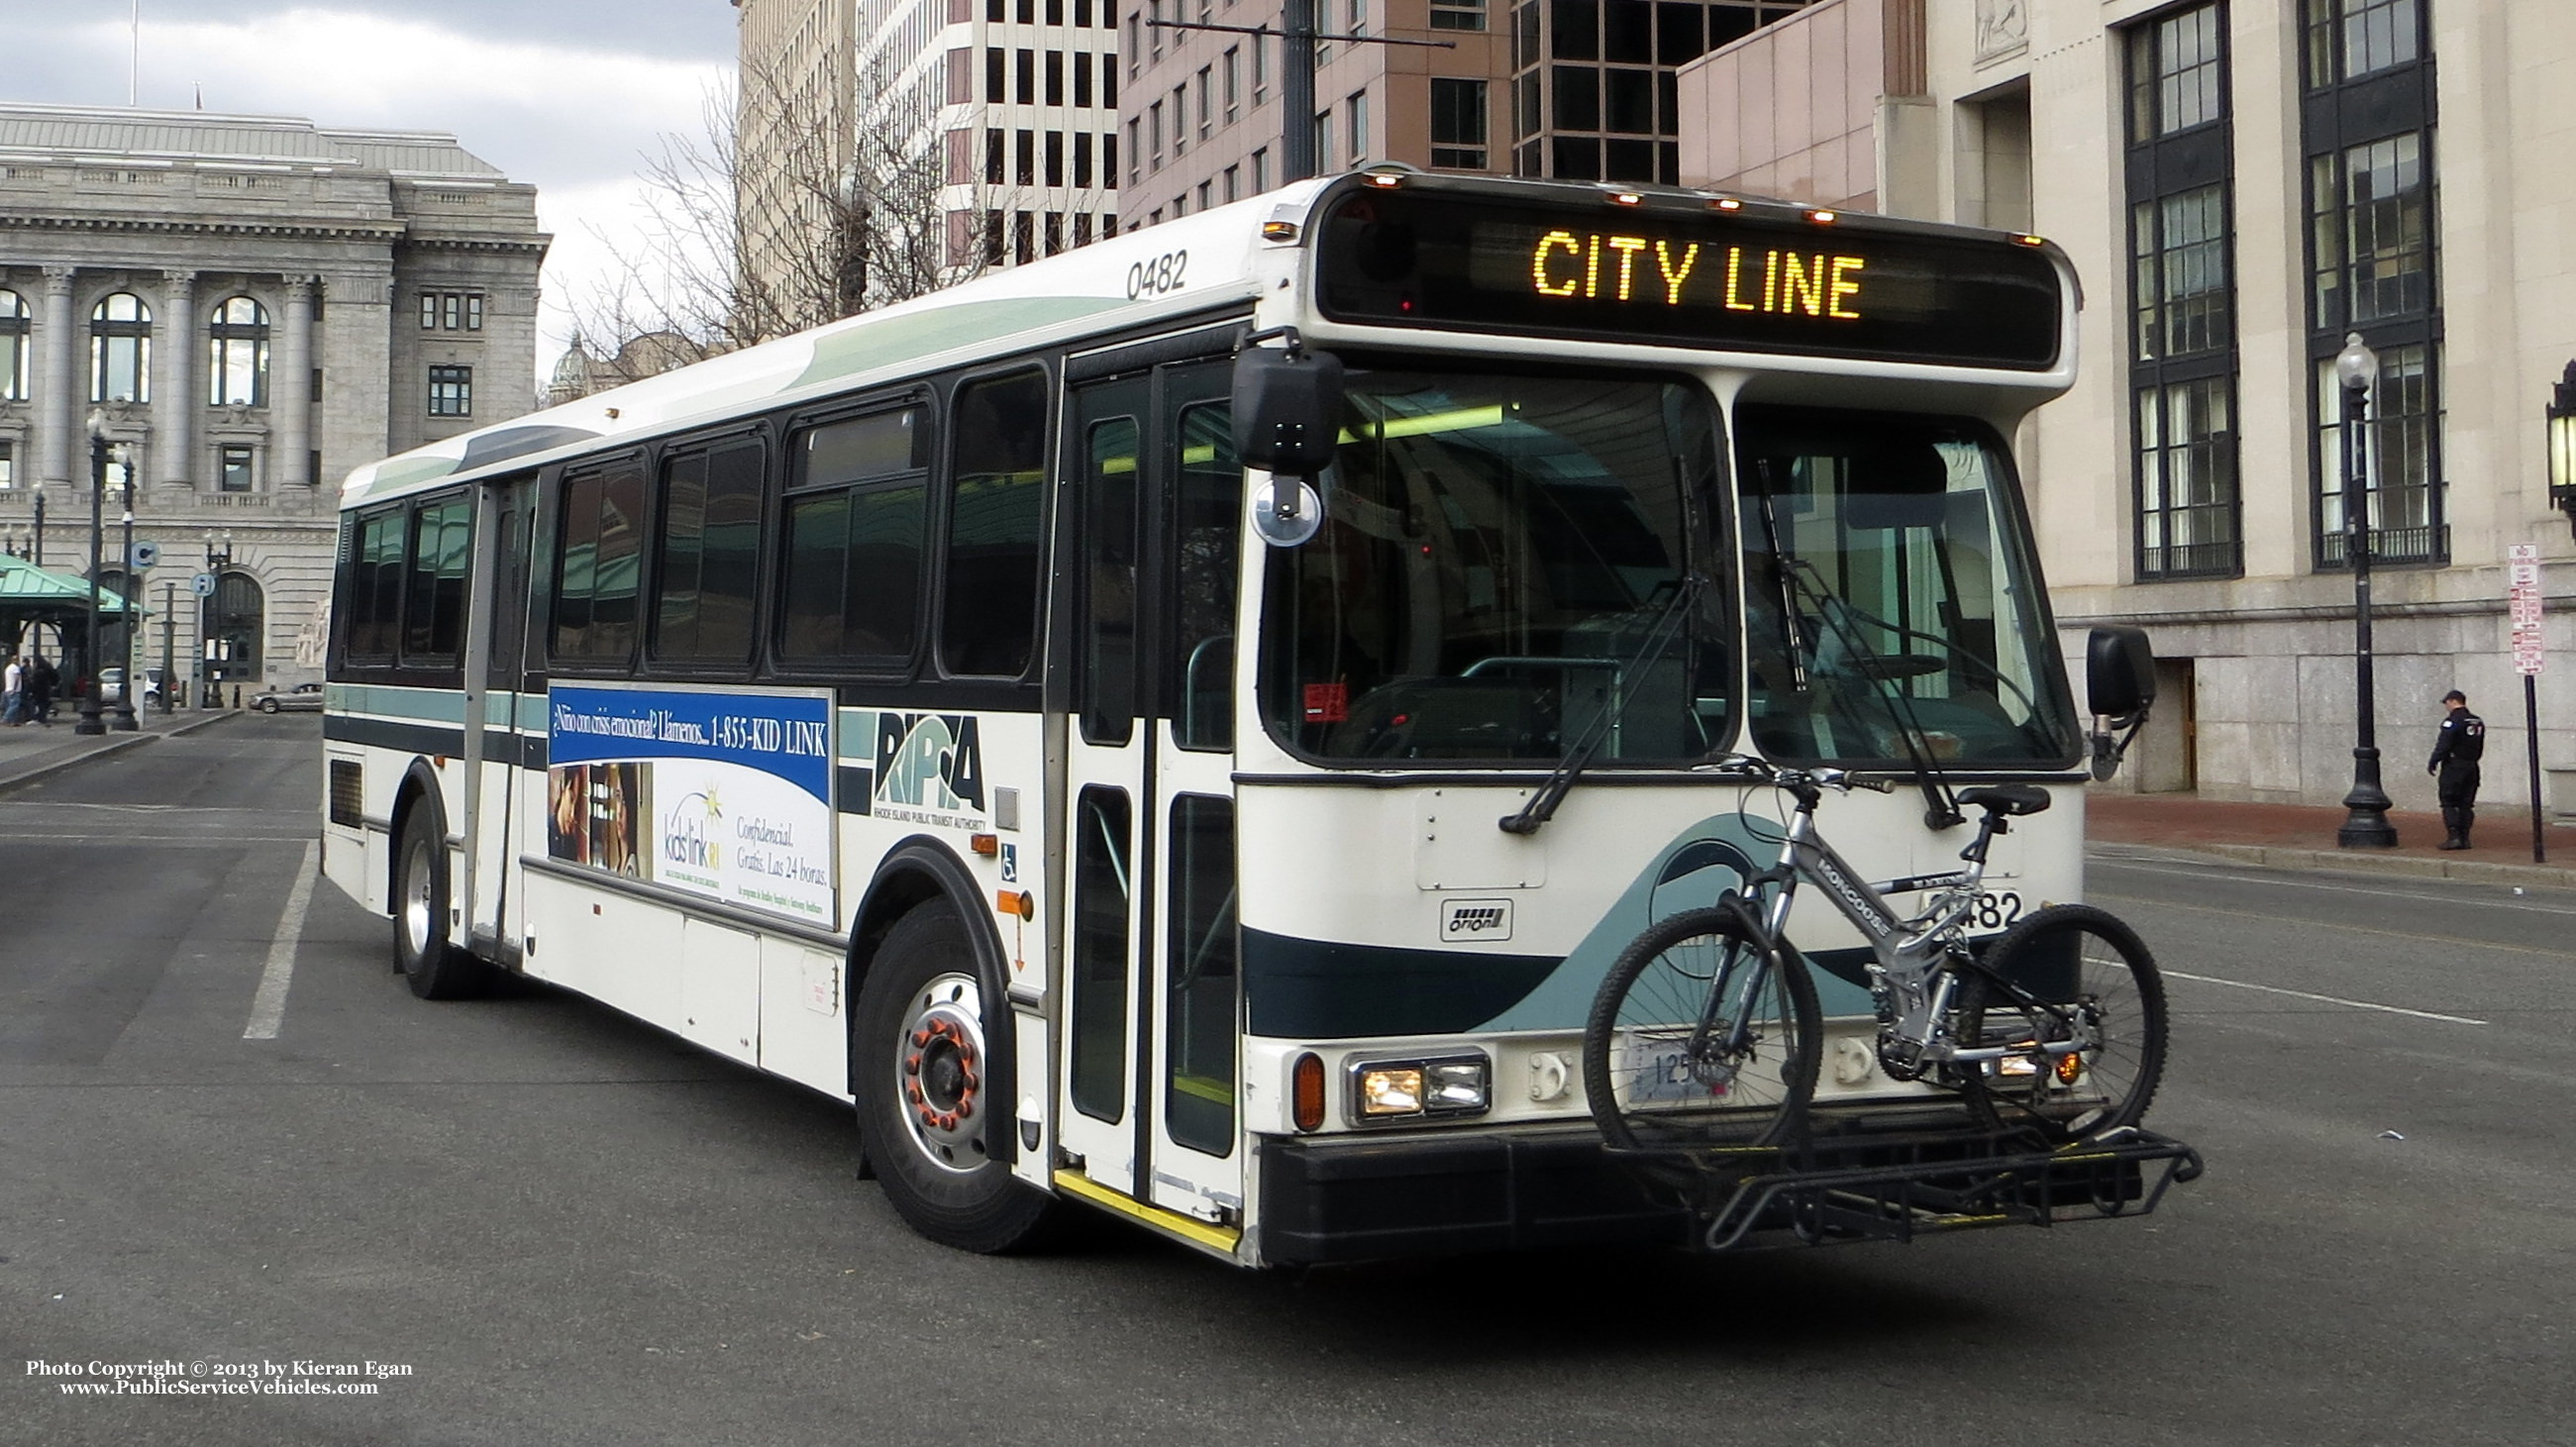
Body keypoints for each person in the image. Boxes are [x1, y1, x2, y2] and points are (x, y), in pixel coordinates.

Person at [2428, 688, 2486, 850]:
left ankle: (2454, 837)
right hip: (2472, 765)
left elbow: (2444, 744)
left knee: (2449, 802)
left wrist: (2434, 760)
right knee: (2466, 804)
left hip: (2454, 766)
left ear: (2453, 701)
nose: (2446, 707)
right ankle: (2465, 838)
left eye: (2447, 703)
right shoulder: (2477, 721)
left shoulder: (2452, 721)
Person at [24, 655, 53, 727]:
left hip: (38, 692)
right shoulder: (47, 669)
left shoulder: (38, 672)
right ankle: (42, 718)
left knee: (37, 705)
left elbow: (35, 684)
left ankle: (38, 718)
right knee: (42, 705)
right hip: (45, 691)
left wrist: (31, 690)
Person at [2, 655, 23, 727]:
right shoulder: (16, 668)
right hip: (14, 690)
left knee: (9, 705)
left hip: (8, 688)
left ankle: (13, 721)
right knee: (14, 706)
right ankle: (6, 719)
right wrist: (15, 688)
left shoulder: (8, 668)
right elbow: (16, 679)